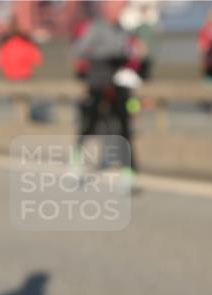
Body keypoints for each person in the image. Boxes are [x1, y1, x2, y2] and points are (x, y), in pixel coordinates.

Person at [73, 0, 137, 185]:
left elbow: (128, 51)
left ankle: (127, 171)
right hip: (97, 83)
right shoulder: (95, 28)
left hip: (117, 83)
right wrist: (108, 54)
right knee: (89, 125)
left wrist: (129, 55)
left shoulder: (122, 29)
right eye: (116, 5)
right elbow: (80, 49)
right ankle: (76, 160)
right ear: (106, 7)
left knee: (124, 126)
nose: (119, 9)